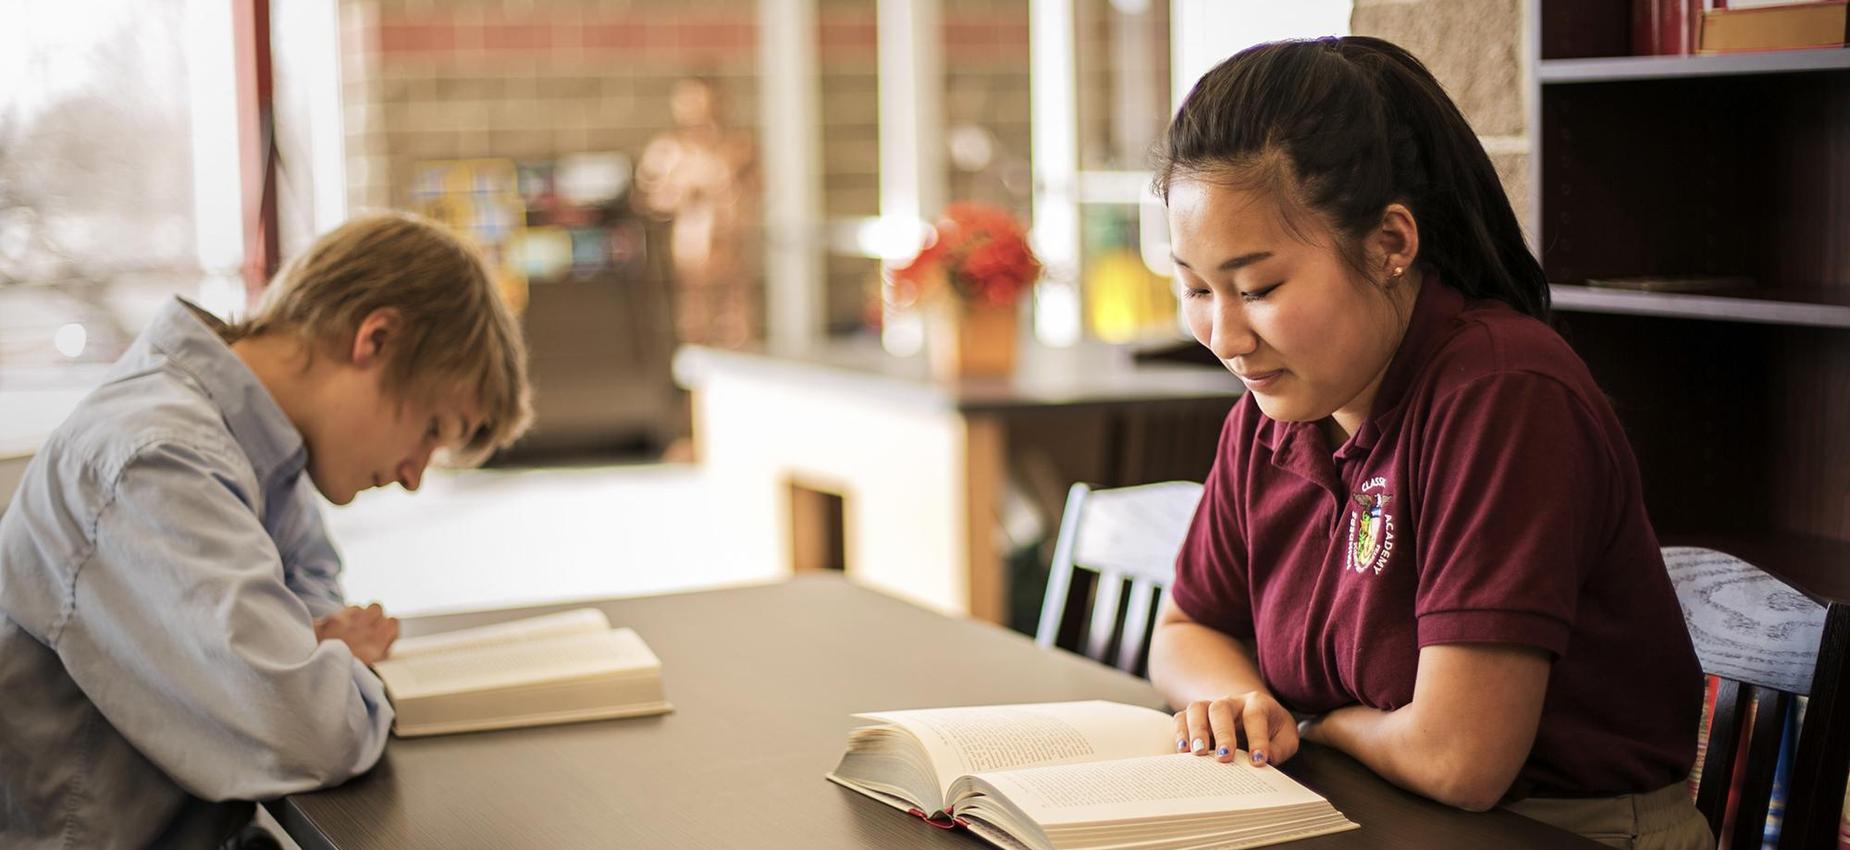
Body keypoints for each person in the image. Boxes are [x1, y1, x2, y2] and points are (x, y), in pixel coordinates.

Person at [1145, 37, 1709, 849]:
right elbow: (1185, 629)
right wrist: (1240, 703)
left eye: (1259, 288)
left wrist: (1320, 726)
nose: (1226, 336)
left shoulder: (1503, 394)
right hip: (1367, 810)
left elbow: (1459, 761)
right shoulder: (1276, 406)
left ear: (1391, 244)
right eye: (1197, 289)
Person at [0, 211, 533, 848]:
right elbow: (306, 730)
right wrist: (316, 661)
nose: (415, 476)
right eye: (430, 431)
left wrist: (310, 654)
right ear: (377, 339)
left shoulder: (261, 444)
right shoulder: (158, 459)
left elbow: (314, 599)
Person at [633, 75, 759, 350]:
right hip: (692, 251)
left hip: (731, 248)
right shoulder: (668, 151)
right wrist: (684, 193)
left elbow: (758, 188)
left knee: (735, 323)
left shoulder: (737, 146)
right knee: (695, 320)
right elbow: (648, 199)